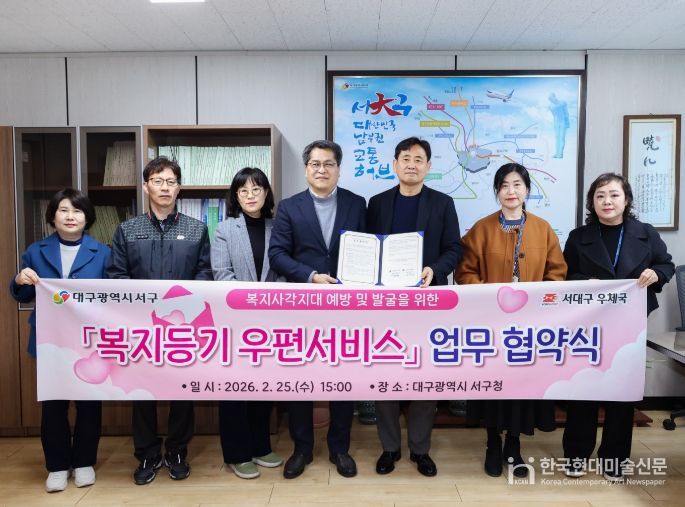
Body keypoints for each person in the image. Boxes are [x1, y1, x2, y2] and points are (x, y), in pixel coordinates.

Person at [455, 162, 567, 478]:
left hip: (529, 325)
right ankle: (492, 443)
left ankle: (514, 446)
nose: (511, 191)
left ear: (527, 190)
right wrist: (489, 295)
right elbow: (464, 272)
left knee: (520, 387)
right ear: (496, 191)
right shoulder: (481, 228)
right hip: (490, 323)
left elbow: (557, 273)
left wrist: (537, 300)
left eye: (517, 184)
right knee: (492, 385)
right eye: (504, 185)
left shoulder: (543, 229)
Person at [106, 156, 212, 485]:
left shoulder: (196, 229)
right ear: (146, 187)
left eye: (170, 182)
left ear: (179, 188)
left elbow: (204, 275)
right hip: (141, 329)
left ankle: (177, 451)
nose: (164, 188)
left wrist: (182, 310)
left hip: (183, 328)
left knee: (183, 392)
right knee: (143, 393)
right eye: (157, 181)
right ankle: (148, 453)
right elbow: (116, 276)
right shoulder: (127, 229)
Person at [562, 172, 674, 482]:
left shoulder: (645, 233)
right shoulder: (578, 237)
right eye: (600, 196)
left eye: (614, 195)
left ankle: (614, 459)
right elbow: (565, 275)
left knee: (621, 394)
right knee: (582, 390)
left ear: (626, 200)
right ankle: (576, 455)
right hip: (589, 326)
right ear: (592, 202)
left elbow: (665, 264)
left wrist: (656, 274)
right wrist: (586, 283)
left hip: (629, 326)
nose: (607, 201)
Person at [268, 140, 366, 479]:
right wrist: (310, 276)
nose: (322, 170)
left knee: (343, 378)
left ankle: (340, 448)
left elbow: (368, 249)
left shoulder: (357, 204)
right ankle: (302, 449)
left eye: (328, 164)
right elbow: (277, 255)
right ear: (306, 168)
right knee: (301, 379)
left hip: (345, 307)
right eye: (315, 164)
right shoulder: (289, 207)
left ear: (338, 168)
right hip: (303, 306)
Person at [367, 137, 462, 477]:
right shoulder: (377, 203)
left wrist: (434, 269)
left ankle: (420, 449)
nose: (411, 164)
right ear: (395, 164)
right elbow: (367, 248)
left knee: (425, 376)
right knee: (385, 374)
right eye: (405, 158)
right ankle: (390, 447)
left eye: (418, 159)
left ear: (428, 166)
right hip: (385, 305)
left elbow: (454, 248)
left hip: (428, 302)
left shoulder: (443, 203)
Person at [9, 189, 110, 493]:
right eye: (63, 210)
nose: (70, 216)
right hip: (49, 340)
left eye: (77, 211)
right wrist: (19, 280)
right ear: (52, 216)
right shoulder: (36, 251)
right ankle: (56, 465)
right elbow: (22, 295)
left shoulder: (102, 252)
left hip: (89, 339)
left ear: (87, 218)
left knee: (89, 404)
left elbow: (113, 296)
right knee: (53, 405)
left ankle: (84, 462)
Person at [211, 167, 283, 479]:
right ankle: (237, 454)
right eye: (243, 191)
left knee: (263, 386)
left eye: (256, 189)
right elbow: (221, 273)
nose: (250, 195)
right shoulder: (224, 229)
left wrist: (270, 302)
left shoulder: (278, 227)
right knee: (234, 389)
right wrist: (252, 302)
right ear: (236, 197)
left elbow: (284, 270)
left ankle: (260, 446)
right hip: (235, 321)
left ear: (266, 193)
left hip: (271, 322)